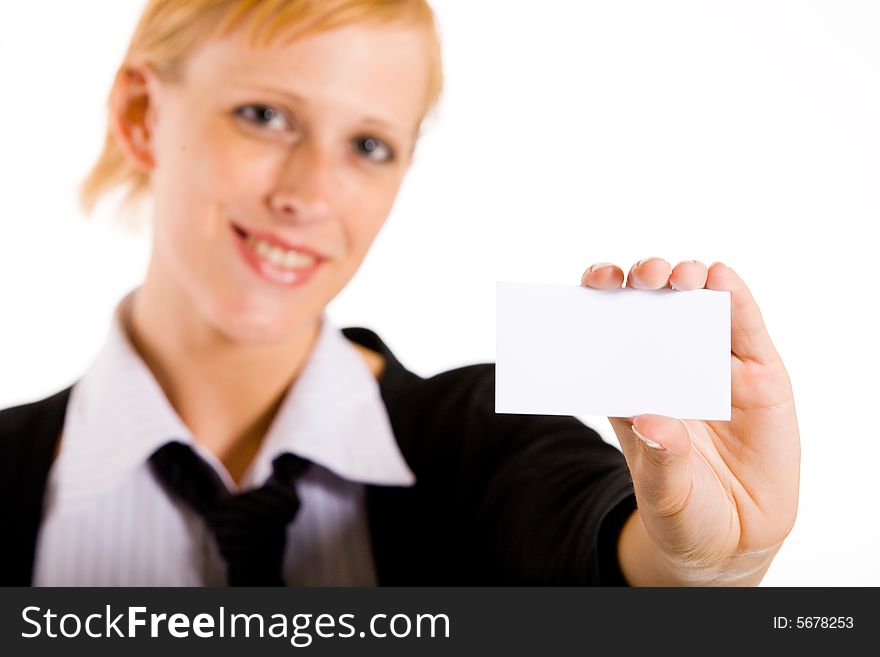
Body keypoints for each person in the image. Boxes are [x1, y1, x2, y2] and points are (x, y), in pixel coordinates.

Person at [0, 0, 800, 586]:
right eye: (265, 115)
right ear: (141, 114)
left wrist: (701, 566)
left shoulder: (489, 444)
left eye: (369, 145)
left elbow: (608, 556)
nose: (310, 192)